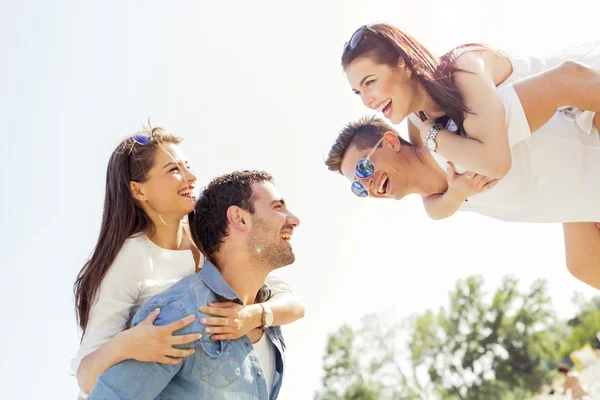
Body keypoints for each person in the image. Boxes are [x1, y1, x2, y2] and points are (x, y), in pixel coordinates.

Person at [72, 129, 304, 398]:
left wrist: (252, 315)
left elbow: (292, 303)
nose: (191, 177)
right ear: (138, 189)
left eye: (188, 167)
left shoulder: (210, 239)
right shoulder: (130, 258)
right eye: (173, 169)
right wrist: (126, 343)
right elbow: (86, 379)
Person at [325, 65, 600, 289]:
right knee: (582, 264)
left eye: (363, 168)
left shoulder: (462, 131)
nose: (367, 185)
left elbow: (567, 80)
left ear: (390, 141)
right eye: (358, 188)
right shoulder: (443, 200)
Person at [342, 23, 600, 181]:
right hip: (565, 141)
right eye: (357, 92)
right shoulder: (416, 115)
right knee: (580, 264)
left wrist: (432, 134)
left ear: (403, 64)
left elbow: (496, 163)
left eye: (369, 82)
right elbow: (432, 192)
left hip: (583, 98)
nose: (366, 100)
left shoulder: (463, 68)